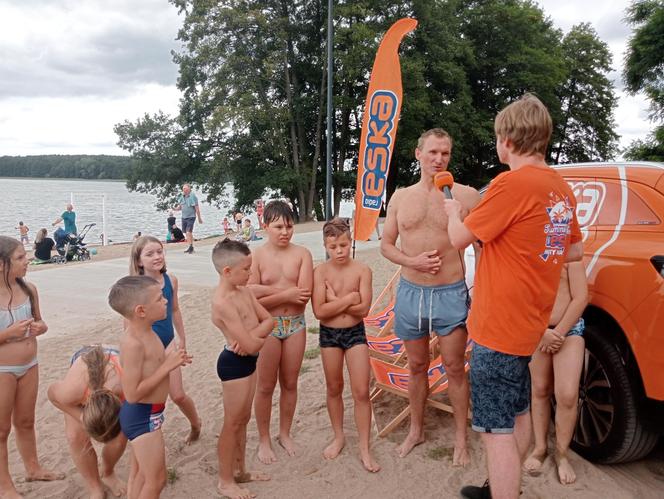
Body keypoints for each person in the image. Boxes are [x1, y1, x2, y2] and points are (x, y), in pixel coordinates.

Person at [443, 94, 584, 499]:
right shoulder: (559, 186)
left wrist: (455, 213)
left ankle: (503, 491)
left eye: (497, 138)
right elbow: (572, 249)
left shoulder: (510, 183)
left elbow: (458, 239)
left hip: (498, 327)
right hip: (529, 326)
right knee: (518, 411)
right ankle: (503, 488)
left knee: (494, 432)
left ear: (508, 139)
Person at [380, 128, 481, 464]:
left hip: (450, 292)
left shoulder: (465, 197)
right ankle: (416, 430)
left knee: (454, 367)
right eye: (434, 152)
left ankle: (461, 440)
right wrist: (412, 261)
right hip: (411, 292)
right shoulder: (400, 197)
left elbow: (485, 244)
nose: (440, 159)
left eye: (446, 153)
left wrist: (480, 290)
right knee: (417, 366)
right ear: (418, 153)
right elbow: (386, 245)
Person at [108, 275, 191, 499]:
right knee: (156, 480)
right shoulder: (133, 343)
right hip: (141, 416)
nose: (166, 301)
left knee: (139, 476)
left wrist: (170, 358)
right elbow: (133, 393)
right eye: (159, 299)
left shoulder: (149, 331)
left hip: (150, 413)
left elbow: (151, 366)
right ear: (141, 311)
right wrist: (168, 367)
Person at [311, 218, 379, 472]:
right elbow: (319, 311)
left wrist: (334, 299)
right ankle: (339, 436)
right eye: (333, 247)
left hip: (355, 333)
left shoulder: (362, 270)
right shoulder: (320, 272)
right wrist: (349, 297)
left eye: (343, 245)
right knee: (334, 387)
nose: (339, 251)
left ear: (350, 243)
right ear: (325, 246)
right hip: (329, 335)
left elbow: (363, 310)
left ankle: (364, 447)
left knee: (361, 391)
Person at [248, 200, 313, 464]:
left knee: (290, 383)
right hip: (268, 326)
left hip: (296, 324)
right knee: (265, 386)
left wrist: (268, 294)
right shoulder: (257, 256)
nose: (284, 232)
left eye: (288, 226)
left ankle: (284, 433)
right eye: (278, 227)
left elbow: (303, 298)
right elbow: (251, 298)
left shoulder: (302, 254)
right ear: (265, 227)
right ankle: (264, 438)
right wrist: (285, 292)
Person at [0, 236, 64, 498]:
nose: (27, 261)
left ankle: (33, 468)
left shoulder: (29, 290)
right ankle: (4, 485)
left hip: (30, 365)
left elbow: (41, 322)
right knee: (1, 430)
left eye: (25, 256)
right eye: (20, 258)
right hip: (2, 371)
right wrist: (8, 333)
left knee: (26, 421)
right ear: (1, 265)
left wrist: (41, 327)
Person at [211, 239, 273, 498]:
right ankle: (225, 481)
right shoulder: (222, 302)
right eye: (246, 269)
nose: (250, 273)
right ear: (227, 271)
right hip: (233, 364)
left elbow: (270, 320)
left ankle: (241, 471)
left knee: (243, 419)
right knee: (232, 423)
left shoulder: (244, 291)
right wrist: (256, 337)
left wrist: (254, 336)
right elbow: (247, 344)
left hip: (249, 361)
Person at [129, 236, 201, 444]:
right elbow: (129, 323)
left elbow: (175, 310)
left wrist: (182, 340)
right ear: (139, 261)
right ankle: (147, 435)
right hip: (146, 348)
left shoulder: (171, 280)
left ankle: (196, 423)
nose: (157, 257)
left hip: (168, 343)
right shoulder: (135, 287)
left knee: (177, 395)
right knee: (147, 397)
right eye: (150, 254)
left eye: (159, 252)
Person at [524, 261, 588, 485]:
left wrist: (558, 333)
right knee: (540, 389)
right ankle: (540, 446)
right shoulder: (528, 252)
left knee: (568, 395)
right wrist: (542, 332)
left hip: (568, 330)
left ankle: (562, 453)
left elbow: (581, 297)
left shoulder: (571, 255)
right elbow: (521, 297)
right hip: (537, 330)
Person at [47, 345, 127, 499]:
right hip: (84, 364)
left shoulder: (127, 385)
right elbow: (52, 394)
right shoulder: (71, 392)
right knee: (75, 437)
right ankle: (94, 487)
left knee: (119, 439)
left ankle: (108, 473)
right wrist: (81, 417)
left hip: (114, 363)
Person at [174, 184, 203, 254]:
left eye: (186, 189)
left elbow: (196, 208)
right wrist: (174, 209)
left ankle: (190, 247)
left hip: (191, 216)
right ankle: (191, 246)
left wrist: (199, 218)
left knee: (188, 232)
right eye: (183, 189)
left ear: (189, 189)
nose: (184, 190)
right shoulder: (181, 197)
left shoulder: (192, 196)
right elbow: (180, 207)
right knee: (186, 232)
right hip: (184, 217)